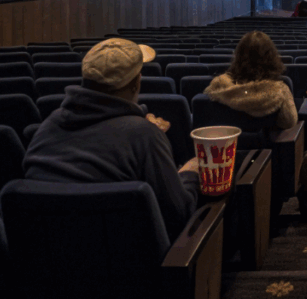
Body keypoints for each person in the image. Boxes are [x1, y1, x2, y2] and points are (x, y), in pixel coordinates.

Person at [24, 38, 199, 240]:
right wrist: (189, 174)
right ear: (136, 83)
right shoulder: (144, 136)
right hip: (132, 266)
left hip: (48, 262)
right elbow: (180, 215)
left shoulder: (48, 126)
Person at [203, 31, 298, 129]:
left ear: (238, 57)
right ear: (272, 59)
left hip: (228, 144)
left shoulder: (218, 89)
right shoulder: (279, 92)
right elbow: (289, 122)